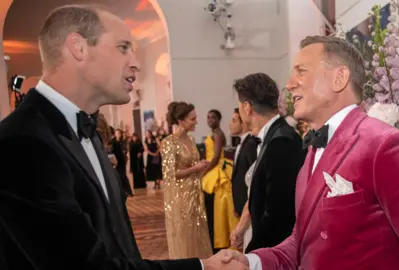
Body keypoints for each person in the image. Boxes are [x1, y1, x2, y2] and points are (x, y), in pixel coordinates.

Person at [0, 4, 246, 270]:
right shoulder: (22, 143)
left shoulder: (86, 131)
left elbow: (118, 246)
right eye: (123, 47)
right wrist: (203, 267)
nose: (136, 63)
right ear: (78, 47)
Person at [222, 36, 399, 269]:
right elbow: (300, 244)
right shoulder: (313, 151)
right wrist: (251, 262)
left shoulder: (384, 146)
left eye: (301, 71)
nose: (289, 84)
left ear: (339, 78)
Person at [230, 73, 305, 254]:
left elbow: (278, 216)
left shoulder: (281, 142)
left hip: (275, 251)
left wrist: (254, 256)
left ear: (247, 108)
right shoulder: (273, 135)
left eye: (240, 106)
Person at [161, 101, 213, 259]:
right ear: (181, 121)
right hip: (180, 198)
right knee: (184, 236)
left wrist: (201, 167)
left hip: (195, 194)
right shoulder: (168, 142)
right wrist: (195, 169)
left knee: (198, 234)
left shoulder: (190, 140)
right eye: (192, 119)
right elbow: (169, 174)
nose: (196, 121)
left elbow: (192, 167)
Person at [201, 109, 238, 252]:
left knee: (217, 208)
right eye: (208, 117)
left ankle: (219, 239)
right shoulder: (215, 133)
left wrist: (203, 172)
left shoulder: (218, 134)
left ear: (219, 119)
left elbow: (216, 157)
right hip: (213, 167)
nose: (210, 119)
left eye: (213, 117)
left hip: (217, 168)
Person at [228, 108, 257, 251]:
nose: (230, 124)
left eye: (234, 121)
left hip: (250, 209)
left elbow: (254, 180)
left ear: (243, 122)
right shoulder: (243, 143)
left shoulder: (251, 144)